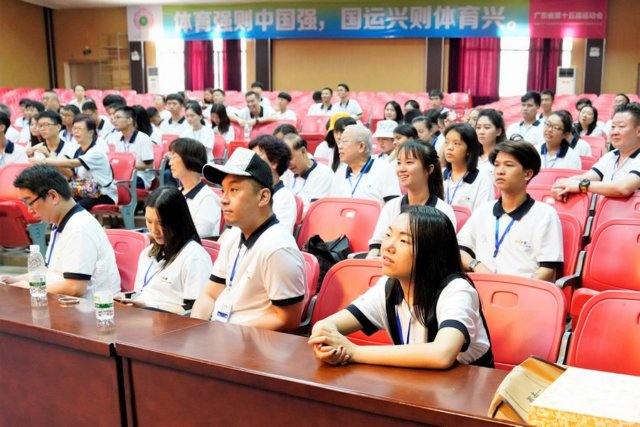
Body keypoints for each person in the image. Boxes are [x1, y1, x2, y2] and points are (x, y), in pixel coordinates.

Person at [309, 205, 493, 369]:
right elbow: (325, 326)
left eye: (404, 241)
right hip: (416, 385)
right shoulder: (388, 286)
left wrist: (354, 352)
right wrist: (326, 345)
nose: (388, 246)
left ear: (431, 253)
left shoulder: (457, 290)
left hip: (466, 390)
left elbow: (442, 354)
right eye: (388, 235)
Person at [191, 147, 307, 331]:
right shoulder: (233, 235)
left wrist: (225, 333)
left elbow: (286, 319)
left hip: (250, 342)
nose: (223, 199)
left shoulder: (278, 249)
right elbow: (210, 295)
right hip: (220, 334)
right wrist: (195, 329)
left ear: (263, 197)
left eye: (234, 190)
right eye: (223, 190)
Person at [1, 165, 120, 297]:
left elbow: (75, 288)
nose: (29, 210)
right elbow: (52, 274)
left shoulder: (79, 227)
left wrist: (29, 287)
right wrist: (15, 280)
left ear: (53, 196)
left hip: (90, 306)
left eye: (30, 203)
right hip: (66, 302)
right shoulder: (60, 222)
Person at [458, 140, 563, 282]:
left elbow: (548, 269)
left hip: (524, 291)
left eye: (508, 165)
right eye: (497, 165)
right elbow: (460, 249)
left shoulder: (545, 214)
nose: (500, 171)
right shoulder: (483, 211)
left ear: (527, 174)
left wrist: (518, 289)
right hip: (482, 287)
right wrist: (476, 265)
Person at [124, 186, 211, 314]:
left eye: (161, 223)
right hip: (143, 317)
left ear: (178, 221)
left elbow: (194, 310)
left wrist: (150, 306)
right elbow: (139, 293)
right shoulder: (147, 253)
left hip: (172, 323)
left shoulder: (194, 256)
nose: (154, 230)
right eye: (149, 221)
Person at [367, 142, 456, 258]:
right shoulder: (392, 206)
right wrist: (372, 258)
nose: (401, 169)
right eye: (399, 163)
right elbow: (377, 244)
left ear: (429, 169)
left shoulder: (443, 210)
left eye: (409, 162)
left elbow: (442, 255)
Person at [552, 102, 640, 199]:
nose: (614, 132)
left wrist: (581, 186)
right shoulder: (611, 156)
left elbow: (623, 188)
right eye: (613, 127)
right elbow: (587, 177)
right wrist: (563, 184)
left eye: (621, 126)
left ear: (638, 131)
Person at [34, 114, 117, 210]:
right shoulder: (77, 148)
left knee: (68, 204)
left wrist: (44, 161)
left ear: (90, 132)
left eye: (79, 129)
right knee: (55, 196)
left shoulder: (96, 151)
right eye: (74, 129)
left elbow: (72, 163)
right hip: (85, 188)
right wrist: (48, 156)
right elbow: (61, 160)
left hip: (103, 193)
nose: (75, 132)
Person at [330, 124, 401, 206]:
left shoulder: (384, 169)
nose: (339, 146)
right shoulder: (340, 173)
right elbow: (333, 205)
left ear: (361, 146)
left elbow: (394, 205)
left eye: (344, 142)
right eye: (340, 142)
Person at [168, 137, 221, 238]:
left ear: (189, 160)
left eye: (174, 157)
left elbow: (200, 234)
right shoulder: (177, 193)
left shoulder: (207, 198)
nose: (170, 163)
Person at [248, 135, 297, 234]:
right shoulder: (250, 192)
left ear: (274, 163)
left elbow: (280, 236)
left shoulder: (285, 198)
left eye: (257, 157)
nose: (251, 163)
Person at [442, 123, 495, 210]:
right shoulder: (439, 175)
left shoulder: (482, 179)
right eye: (446, 142)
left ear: (469, 150)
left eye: (456, 143)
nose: (449, 147)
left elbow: (484, 213)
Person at [282, 133, 334, 213]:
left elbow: (314, 212)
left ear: (303, 151)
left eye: (290, 158)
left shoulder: (324, 174)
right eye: (284, 160)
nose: (287, 164)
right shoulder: (286, 173)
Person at [112, 106, 155, 189]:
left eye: (118, 117)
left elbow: (149, 165)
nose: (114, 121)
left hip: (140, 176)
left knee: (117, 184)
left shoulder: (143, 138)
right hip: (122, 174)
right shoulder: (116, 137)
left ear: (129, 120)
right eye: (114, 118)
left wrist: (128, 167)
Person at [28, 110, 78, 178]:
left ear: (58, 127)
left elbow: (70, 175)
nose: (42, 129)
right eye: (40, 126)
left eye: (46, 125)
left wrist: (49, 156)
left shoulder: (72, 148)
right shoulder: (36, 149)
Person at [475, 108, 506, 174]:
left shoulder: (504, 156)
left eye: (487, 127)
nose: (481, 132)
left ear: (498, 131)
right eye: (478, 127)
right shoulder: (472, 156)